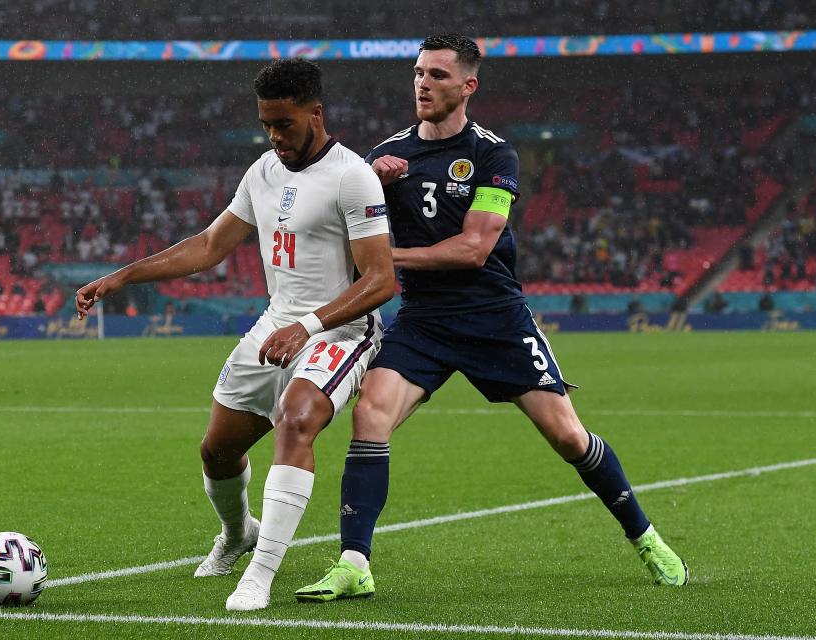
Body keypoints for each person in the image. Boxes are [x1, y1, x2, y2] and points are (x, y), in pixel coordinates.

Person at [292, 34, 688, 603]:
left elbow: (474, 248)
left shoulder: (494, 155)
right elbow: (335, 222)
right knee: (370, 416)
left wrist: (384, 257)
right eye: (418, 73)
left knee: (568, 436)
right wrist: (371, 187)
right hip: (424, 319)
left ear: (468, 85)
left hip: (494, 316)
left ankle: (644, 535)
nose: (423, 84)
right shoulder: (386, 154)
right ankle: (355, 561)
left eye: (438, 76)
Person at [74, 58, 395, 611]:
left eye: (285, 124)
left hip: (341, 331)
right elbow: (207, 246)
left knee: (295, 421)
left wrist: (310, 325)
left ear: (316, 113)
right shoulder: (263, 170)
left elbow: (382, 278)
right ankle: (238, 534)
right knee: (217, 451)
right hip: (276, 326)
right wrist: (122, 276)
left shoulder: (352, 176)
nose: (274, 136)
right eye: (266, 124)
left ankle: (261, 574)